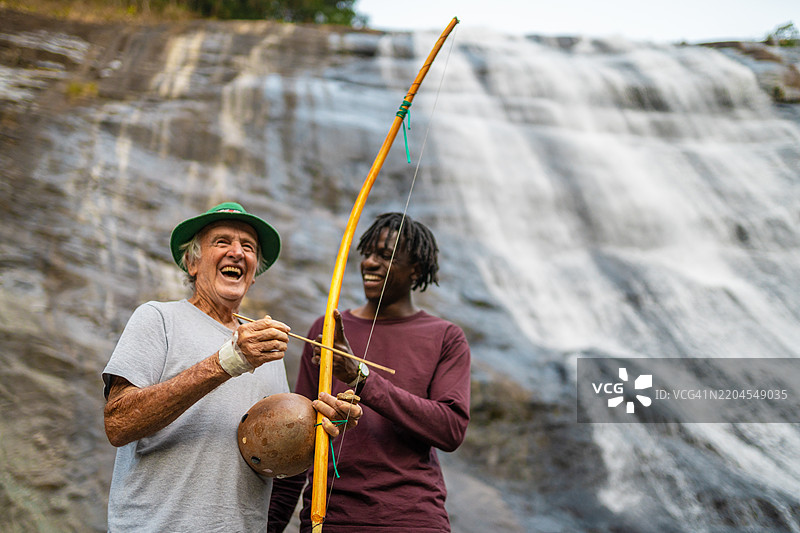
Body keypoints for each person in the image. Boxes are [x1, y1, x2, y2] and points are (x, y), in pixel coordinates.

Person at [102, 202, 362, 532]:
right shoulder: (157, 319)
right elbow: (118, 423)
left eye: (248, 247)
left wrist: (320, 428)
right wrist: (229, 361)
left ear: (253, 275)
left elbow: (273, 457)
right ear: (192, 262)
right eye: (222, 242)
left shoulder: (268, 350)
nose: (237, 252)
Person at [268, 212, 471, 532]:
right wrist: (273, 524)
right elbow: (298, 436)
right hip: (328, 519)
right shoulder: (326, 331)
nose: (370, 263)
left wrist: (361, 377)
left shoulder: (446, 336)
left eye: (386, 256)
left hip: (412, 519)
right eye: (368, 253)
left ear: (415, 269)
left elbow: (450, 428)